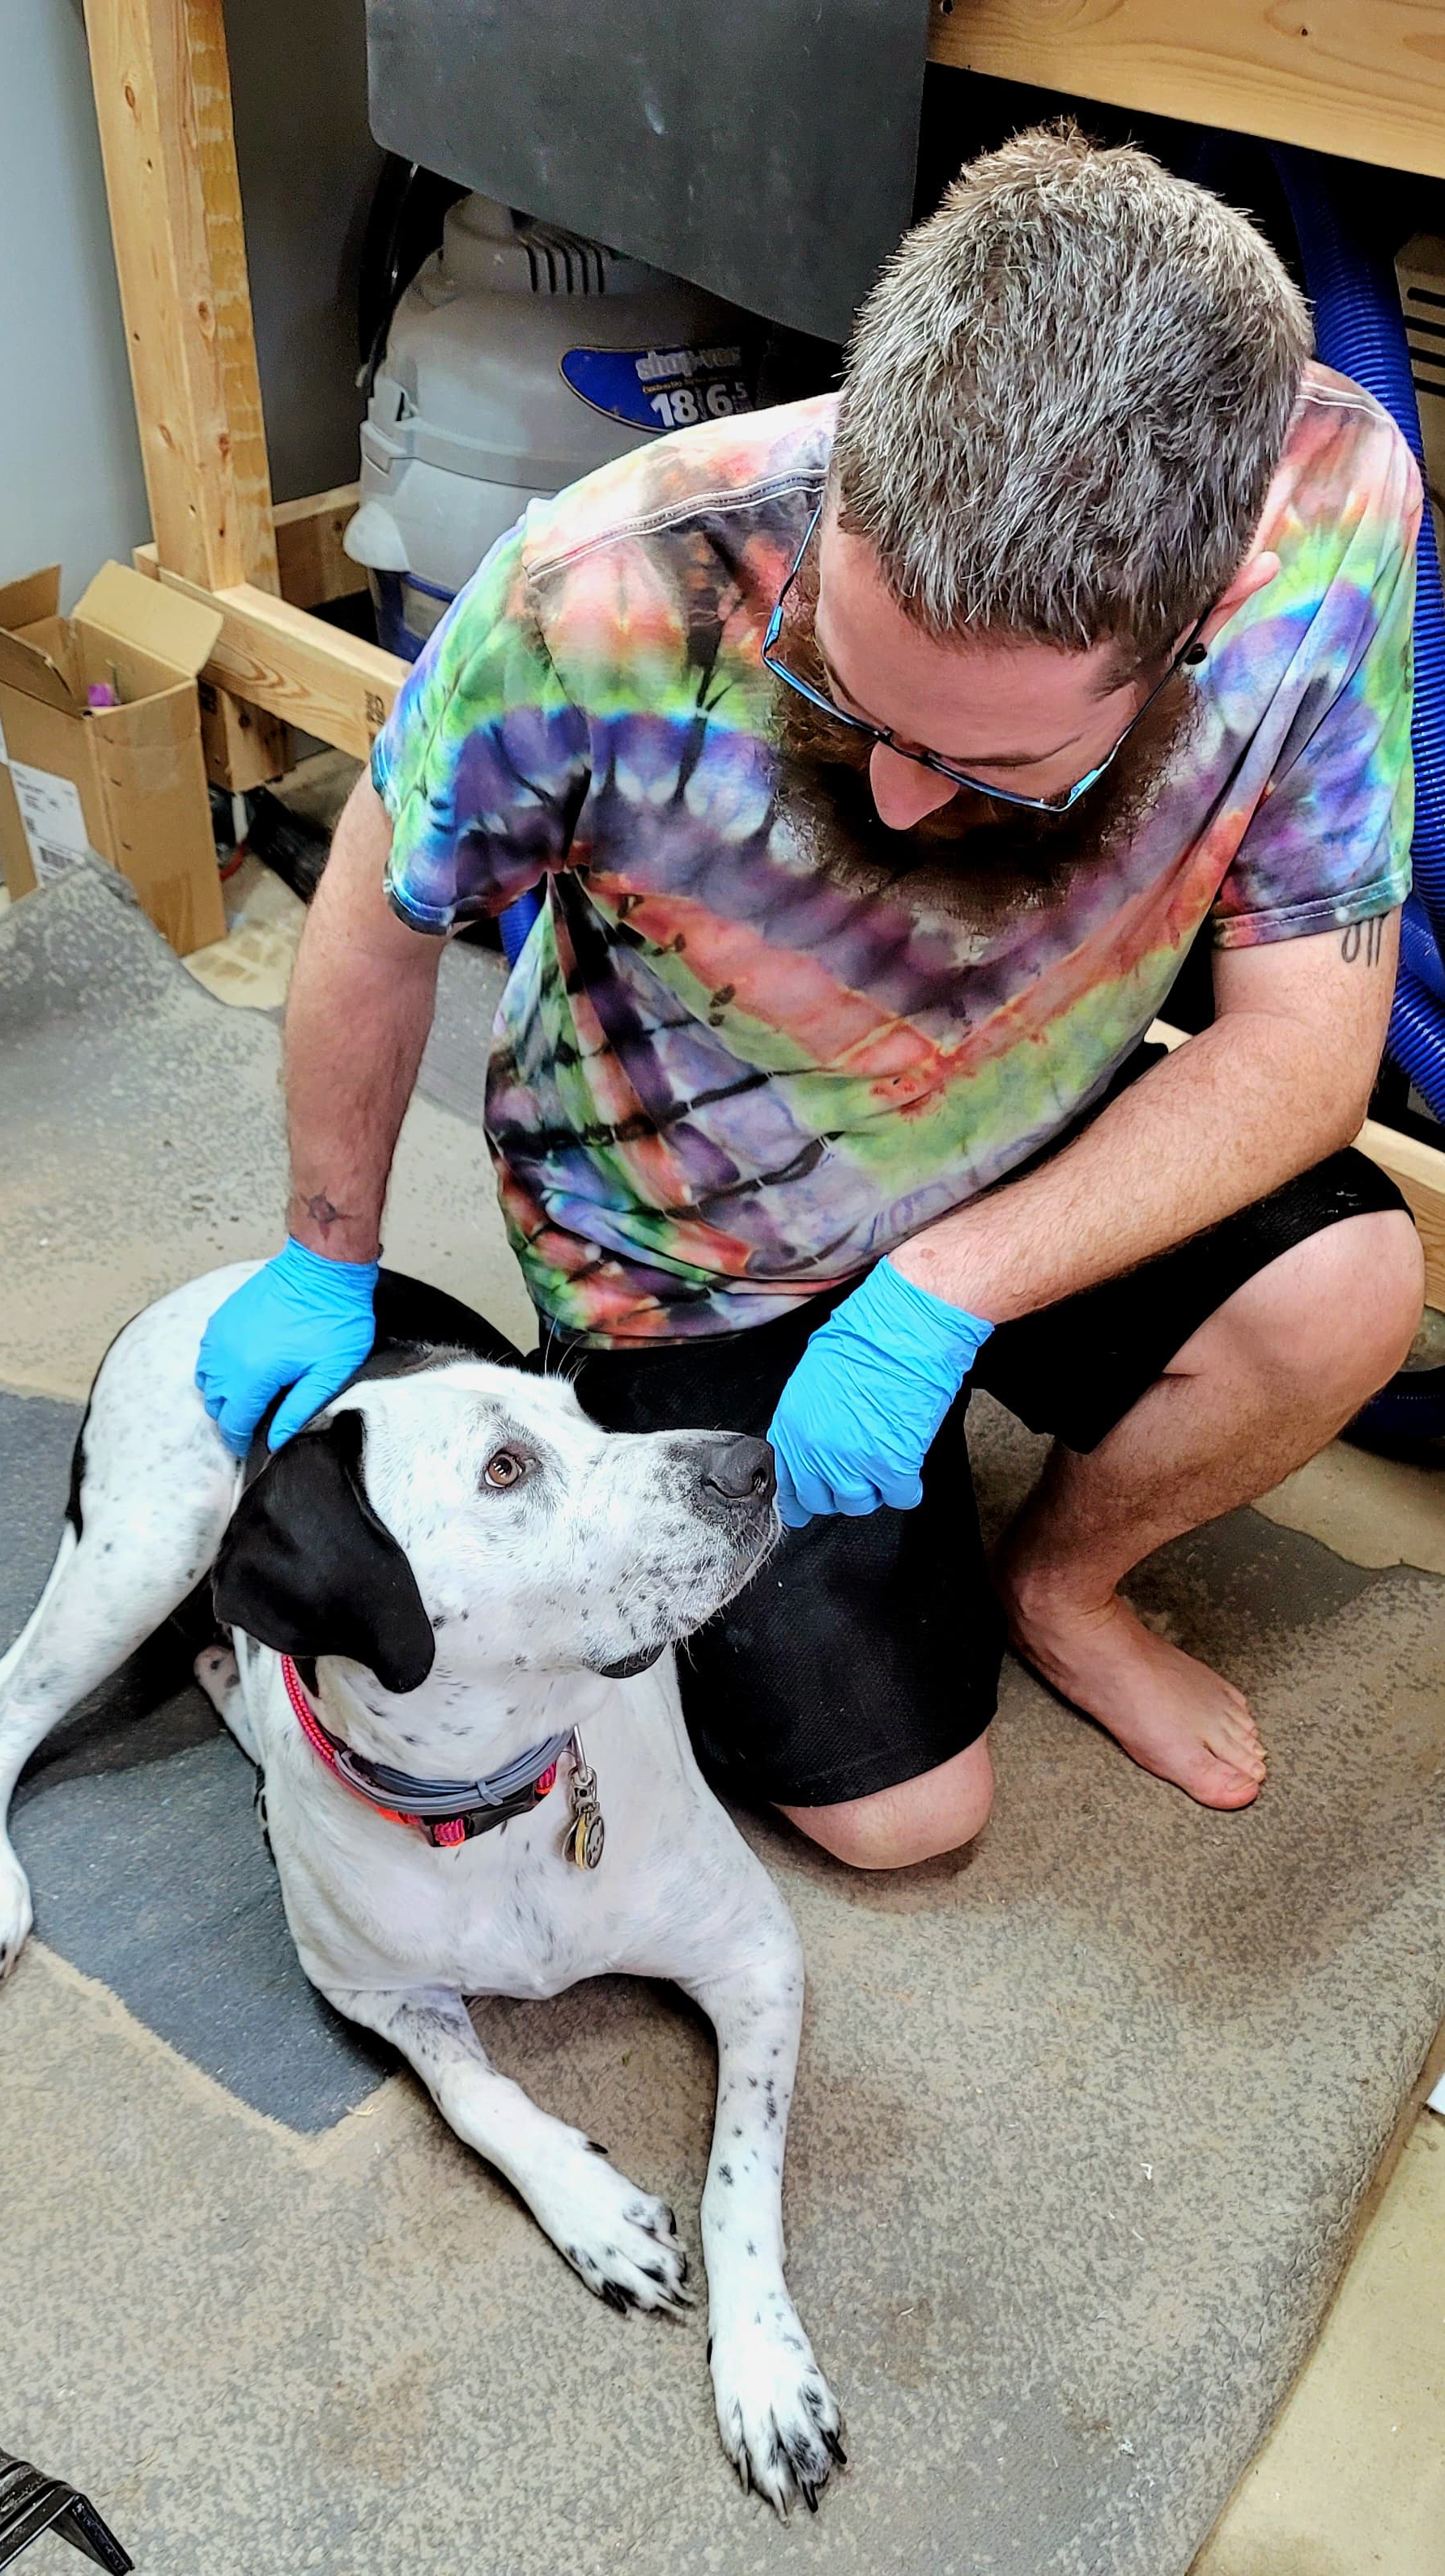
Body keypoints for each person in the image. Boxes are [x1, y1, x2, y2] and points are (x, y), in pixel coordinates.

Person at [197, 125, 1426, 1868]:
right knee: (910, 1819)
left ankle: (1056, 1577)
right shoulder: (599, 585)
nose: (904, 802)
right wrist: (327, 1246)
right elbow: (387, 906)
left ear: (1192, 623)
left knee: (1353, 1288)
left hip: (1030, 1141)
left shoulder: (1329, 512)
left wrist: (944, 1287)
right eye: (850, 690)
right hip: (686, 1239)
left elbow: (1306, 1040)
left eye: (990, 759)